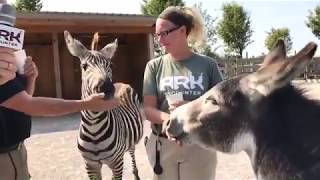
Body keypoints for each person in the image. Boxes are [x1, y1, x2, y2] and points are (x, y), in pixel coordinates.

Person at [0, 3, 120, 180]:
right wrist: (87, 104)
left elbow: (22, 101)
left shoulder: (9, 60)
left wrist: (30, 79)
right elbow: (30, 106)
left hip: (18, 150)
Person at [143, 6, 223, 180]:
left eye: (164, 33)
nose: (160, 40)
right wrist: (171, 120)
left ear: (182, 31)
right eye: (157, 35)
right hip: (163, 145)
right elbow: (148, 110)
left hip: (200, 145)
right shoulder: (153, 67)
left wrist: (190, 111)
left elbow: (223, 108)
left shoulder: (208, 65)